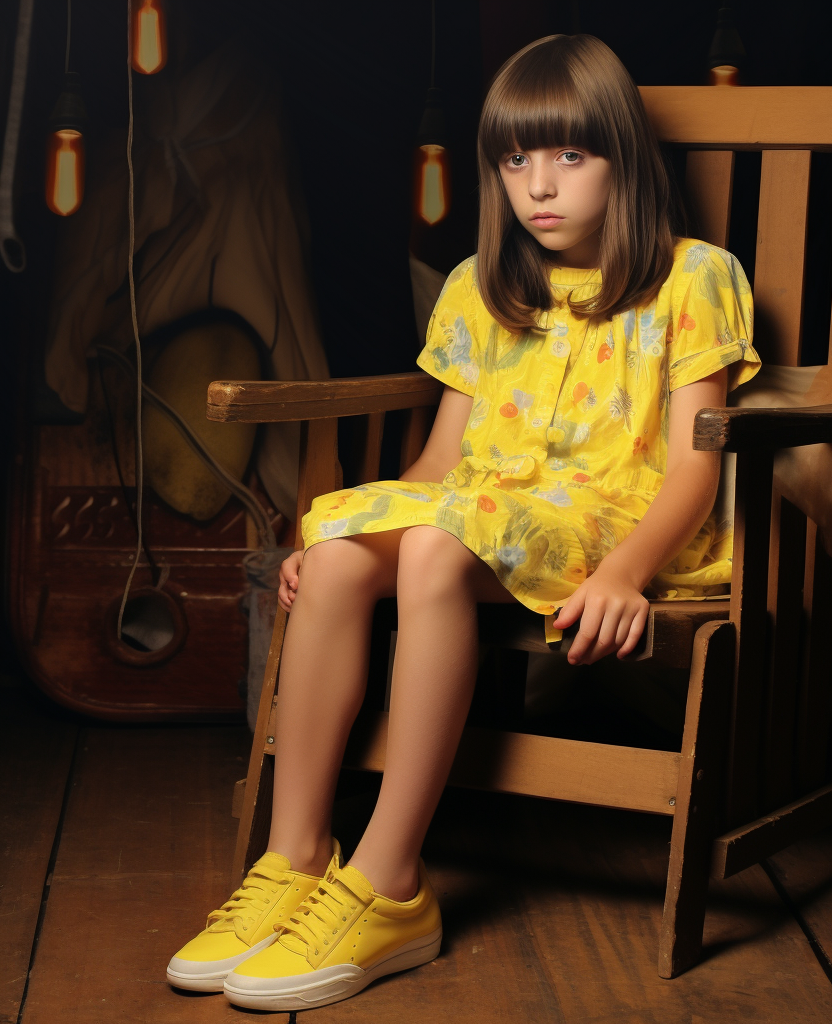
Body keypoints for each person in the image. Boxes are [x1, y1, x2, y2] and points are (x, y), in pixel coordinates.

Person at [167, 33, 759, 1011]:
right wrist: (356, 537)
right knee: (354, 550)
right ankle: (295, 857)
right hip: (494, 512)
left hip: (614, 518)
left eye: (571, 155)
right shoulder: (479, 289)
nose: (540, 184)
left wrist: (625, 572)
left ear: (624, 157)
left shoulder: (694, 278)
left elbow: (697, 467)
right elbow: (441, 468)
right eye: (516, 158)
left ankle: (392, 878)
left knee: (438, 544)